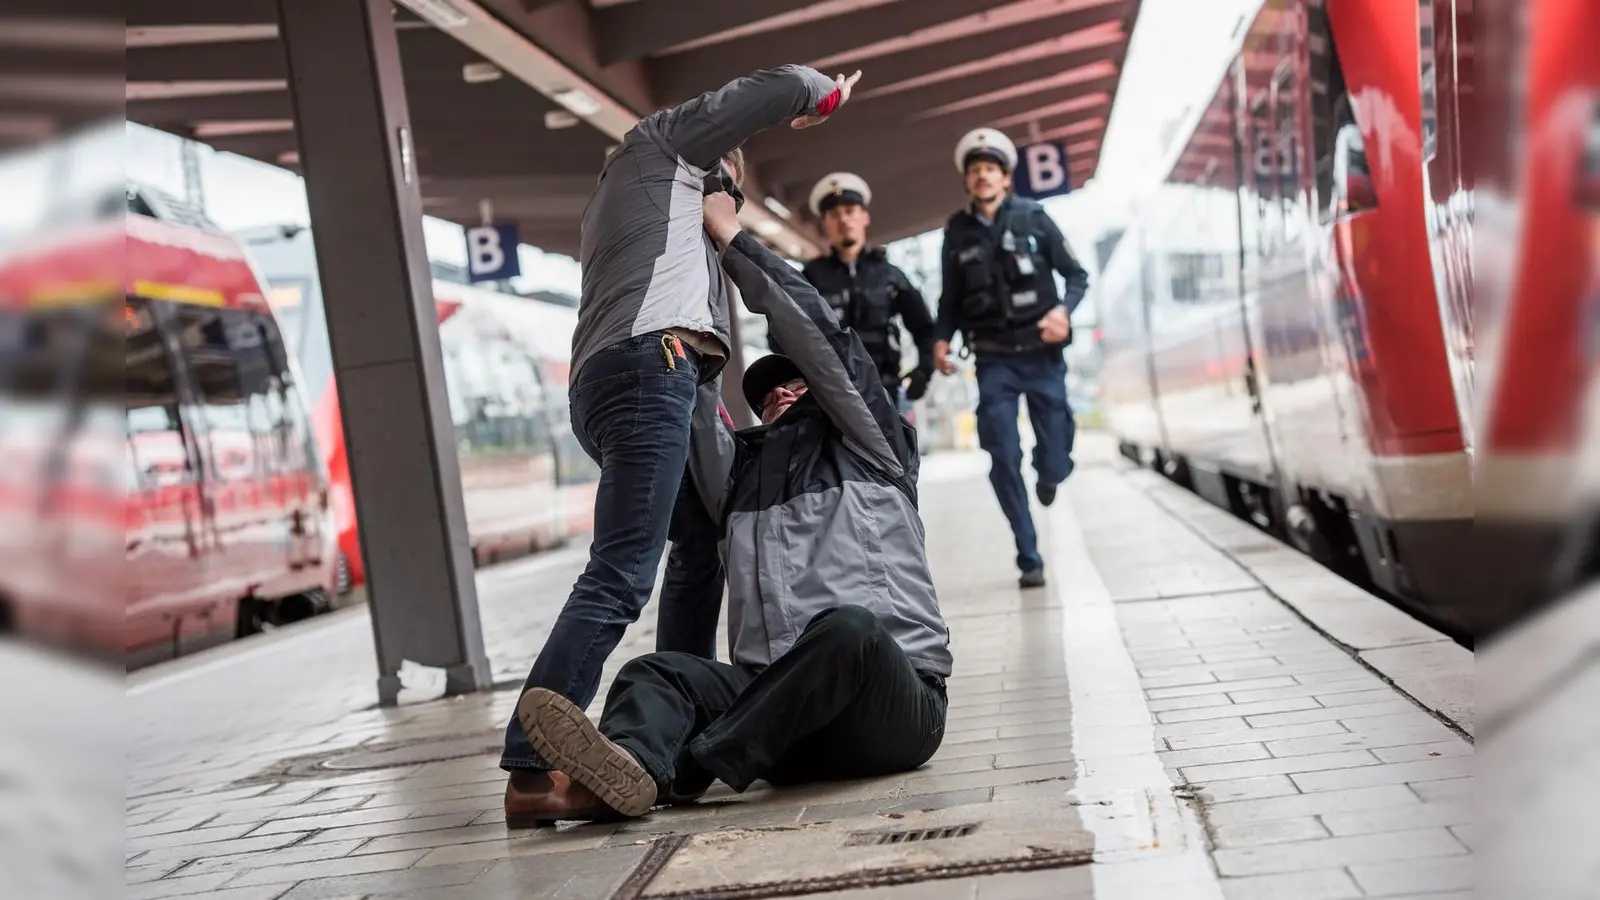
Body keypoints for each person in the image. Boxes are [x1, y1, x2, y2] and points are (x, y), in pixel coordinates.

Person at [504, 190, 952, 824]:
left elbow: (821, 340)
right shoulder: (737, 480)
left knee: (848, 630)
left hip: (891, 708)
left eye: (796, 384)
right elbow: (696, 391)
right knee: (656, 673)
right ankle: (624, 773)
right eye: (767, 395)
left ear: (825, 393)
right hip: (782, 732)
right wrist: (689, 275)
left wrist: (734, 243)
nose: (780, 395)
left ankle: (683, 770)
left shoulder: (877, 446)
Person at [502, 65, 864, 827]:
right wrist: (821, 95)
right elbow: (766, 89)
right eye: (726, 176)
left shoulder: (632, 207)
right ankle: (530, 770)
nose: (726, 194)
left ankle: (674, 725)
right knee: (622, 573)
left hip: (635, 379)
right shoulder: (662, 144)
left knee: (700, 544)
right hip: (650, 370)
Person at [932, 128, 1089, 589]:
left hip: (1042, 355)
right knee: (1002, 453)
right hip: (994, 359)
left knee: (1056, 455)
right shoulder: (957, 232)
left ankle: (1051, 471)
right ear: (967, 181)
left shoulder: (1034, 218)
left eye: (991, 169)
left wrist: (1063, 312)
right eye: (975, 170)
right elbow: (951, 299)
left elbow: (1076, 276)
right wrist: (940, 341)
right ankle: (1028, 555)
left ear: (1005, 178)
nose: (983, 176)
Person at [782, 172, 935, 417]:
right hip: (829, 396)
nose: (844, 220)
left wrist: (924, 370)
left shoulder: (890, 276)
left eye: (850, 211)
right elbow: (782, 333)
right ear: (825, 223)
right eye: (834, 215)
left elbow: (925, 329)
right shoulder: (810, 279)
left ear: (864, 216)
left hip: (884, 392)